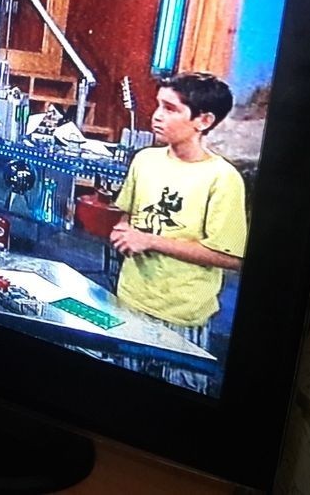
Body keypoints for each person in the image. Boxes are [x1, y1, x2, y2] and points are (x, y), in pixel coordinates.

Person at [109, 72, 248, 393]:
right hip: (130, 302)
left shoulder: (223, 179)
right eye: (158, 105)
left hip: (181, 315)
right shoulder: (145, 161)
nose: (157, 115)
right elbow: (127, 218)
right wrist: (123, 231)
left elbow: (230, 256)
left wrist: (149, 241)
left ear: (204, 121)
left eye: (171, 109)